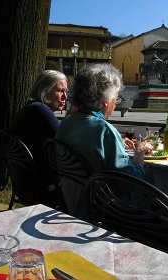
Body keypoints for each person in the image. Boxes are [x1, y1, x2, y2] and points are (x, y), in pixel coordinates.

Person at [55, 63, 149, 220]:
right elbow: (130, 183)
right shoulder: (103, 129)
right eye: (116, 98)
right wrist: (139, 152)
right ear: (106, 100)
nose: (115, 103)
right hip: (106, 209)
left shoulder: (67, 123)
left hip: (72, 202)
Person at [10, 70, 68, 208]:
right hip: (42, 189)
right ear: (44, 90)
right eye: (60, 91)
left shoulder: (32, 108)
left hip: (24, 185)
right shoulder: (40, 110)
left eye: (66, 91)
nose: (65, 96)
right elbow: (67, 142)